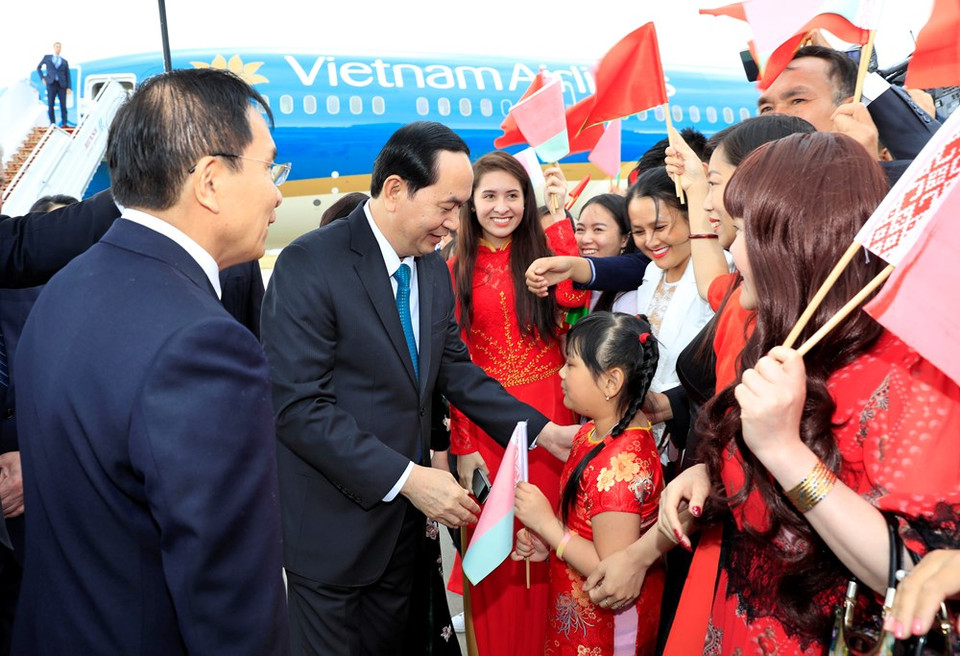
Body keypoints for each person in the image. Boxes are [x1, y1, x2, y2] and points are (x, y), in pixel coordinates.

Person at [260, 120, 573, 655]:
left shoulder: (429, 269)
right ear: (396, 190)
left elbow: (456, 371)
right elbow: (299, 408)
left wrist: (544, 432)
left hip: (402, 537)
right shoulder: (310, 263)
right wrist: (408, 478)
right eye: (448, 205)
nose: (456, 222)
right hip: (333, 536)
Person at [12, 68, 290, 655]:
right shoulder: (204, 345)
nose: (277, 192)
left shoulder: (64, 290)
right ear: (210, 181)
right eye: (269, 167)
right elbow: (229, 603)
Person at [652, 132, 958, 653]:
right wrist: (711, 469)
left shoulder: (904, 373)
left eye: (745, 229)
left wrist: (783, 451)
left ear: (794, 240)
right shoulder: (779, 335)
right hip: (734, 622)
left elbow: (911, 571)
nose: (729, 244)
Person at [447, 152, 585, 656]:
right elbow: (453, 366)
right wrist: (463, 445)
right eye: (489, 196)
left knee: (557, 542)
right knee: (499, 551)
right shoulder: (453, 269)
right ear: (470, 203)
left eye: (513, 195)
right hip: (488, 424)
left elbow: (573, 303)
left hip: (554, 416)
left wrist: (560, 221)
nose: (502, 207)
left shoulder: (545, 254)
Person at [513, 312, 666, 656]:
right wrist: (548, 542)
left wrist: (548, 527)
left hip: (608, 632)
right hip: (580, 616)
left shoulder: (620, 467)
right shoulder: (592, 433)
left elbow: (609, 573)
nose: (561, 373)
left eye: (571, 364)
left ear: (611, 382)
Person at [574, 193, 637, 314]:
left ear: (624, 239)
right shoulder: (572, 287)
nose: (585, 239)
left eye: (598, 229)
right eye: (580, 229)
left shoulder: (630, 299)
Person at [36, 42, 70, 127]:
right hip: (51, 83)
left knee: (63, 105)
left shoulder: (64, 61)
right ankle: (52, 122)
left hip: (61, 84)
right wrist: (43, 78)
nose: (58, 48)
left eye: (59, 47)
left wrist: (68, 87)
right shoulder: (47, 58)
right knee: (51, 104)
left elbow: (67, 74)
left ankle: (64, 122)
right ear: (54, 48)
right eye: (57, 47)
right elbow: (38, 67)